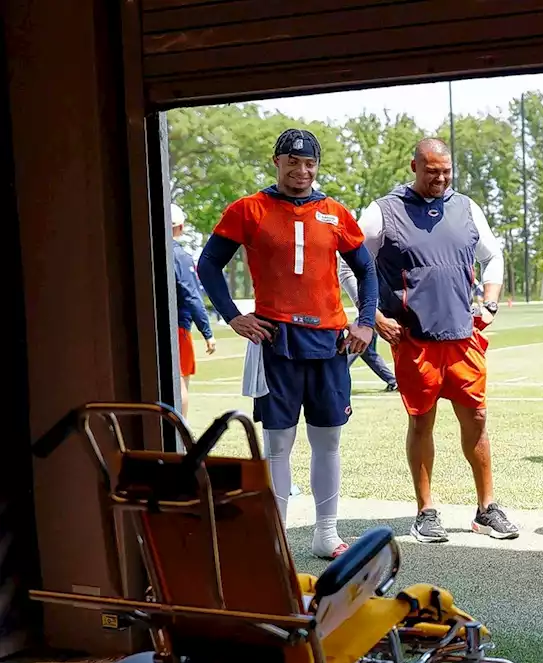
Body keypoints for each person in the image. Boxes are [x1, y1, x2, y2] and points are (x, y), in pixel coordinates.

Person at [197, 128, 378, 560]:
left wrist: (365, 322)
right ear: (276, 162)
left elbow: (368, 271)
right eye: (292, 162)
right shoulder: (249, 209)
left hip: (330, 342)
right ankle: (275, 535)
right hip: (276, 339)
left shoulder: (335, 212)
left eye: (309, 163)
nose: (301, 171)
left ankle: (326, 534)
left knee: (328, 440)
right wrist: (234, 317)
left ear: (317, 166)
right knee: (278, 442)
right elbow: (208, 264)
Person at [359, 137, 518, 543]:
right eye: (432, 171)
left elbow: (493, 255)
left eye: (446, 171)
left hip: (463, 337)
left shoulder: (466, 207)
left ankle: (486, 509)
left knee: (477, 419)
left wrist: (491, 303)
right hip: (414, 339)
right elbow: (352, 264)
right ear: (414, 166)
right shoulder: (383, 211)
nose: (440, 178)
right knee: (421, 421)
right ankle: (425, 511)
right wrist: (372, 315)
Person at [170, 203, 215, 419]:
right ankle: (180, 434)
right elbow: (192, 297)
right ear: (180, 227)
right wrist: (207, 332)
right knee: (180, 384)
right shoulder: (180, 256)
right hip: (177, 327)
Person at [337, 257, 398, 392]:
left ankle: (334, 378)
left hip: (372, 307)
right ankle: (392, 380)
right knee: (367, 352)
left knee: (354, 345)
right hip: (371, 306)